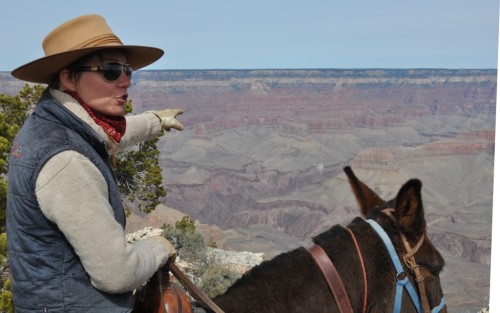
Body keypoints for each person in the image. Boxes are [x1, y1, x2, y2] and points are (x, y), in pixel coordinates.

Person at [7, 14, 183, 312]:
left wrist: (156, 122)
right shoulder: (66, 160)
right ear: (67, 77)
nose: (126, 80)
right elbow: (117, 274)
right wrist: (159, 249)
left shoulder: (49, 123)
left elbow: (103, 134)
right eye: (111, 70)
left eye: (127, 69)